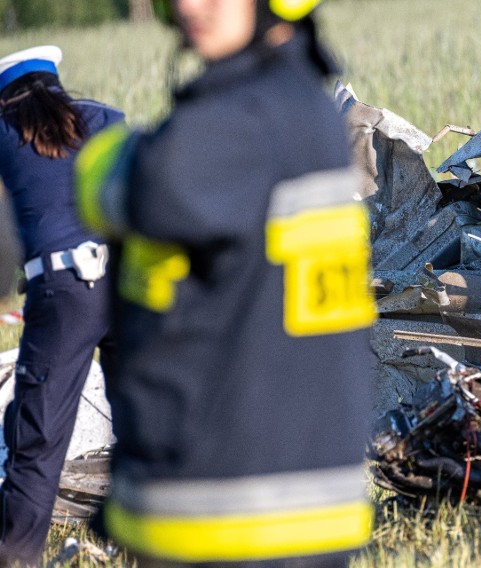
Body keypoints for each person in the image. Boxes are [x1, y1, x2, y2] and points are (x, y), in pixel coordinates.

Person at [75, 0, 376, 565]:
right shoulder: (306, 108)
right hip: (299, 490)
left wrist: (104, 158)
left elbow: (146, 187)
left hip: (227, 504)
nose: (192, 5)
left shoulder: (241, 120)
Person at [0, 46, 123, 564]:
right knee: (142, 420)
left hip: (63, 289)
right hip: (127, 278)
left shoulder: (3, 135)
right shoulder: (104, 120)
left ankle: (16, 555)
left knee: (38, 438)